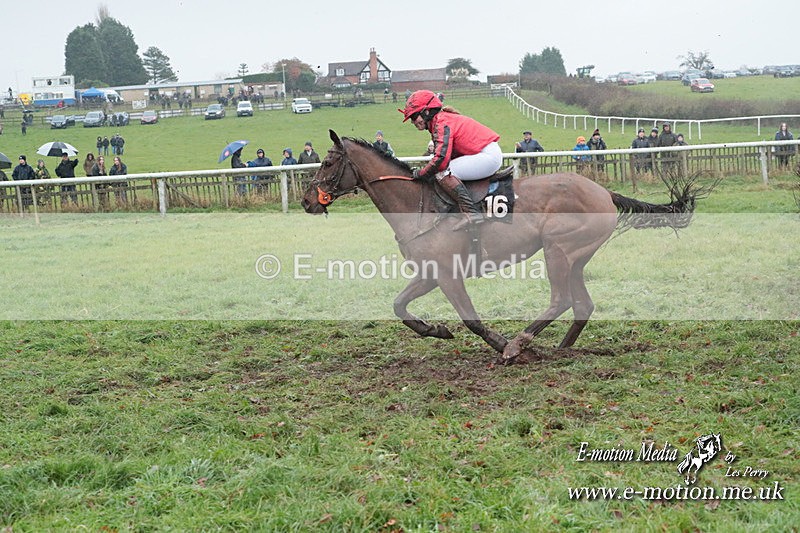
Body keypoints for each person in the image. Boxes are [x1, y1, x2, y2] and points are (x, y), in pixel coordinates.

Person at [399, 89, 501, 230]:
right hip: (484, 154)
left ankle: (472, 213)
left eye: (414, 116)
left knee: (442, 173)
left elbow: (441, 160)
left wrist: (421, 173)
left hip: (487, 156)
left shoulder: (442, 122)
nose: (413, 122)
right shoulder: (441, 120)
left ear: (427, 112)